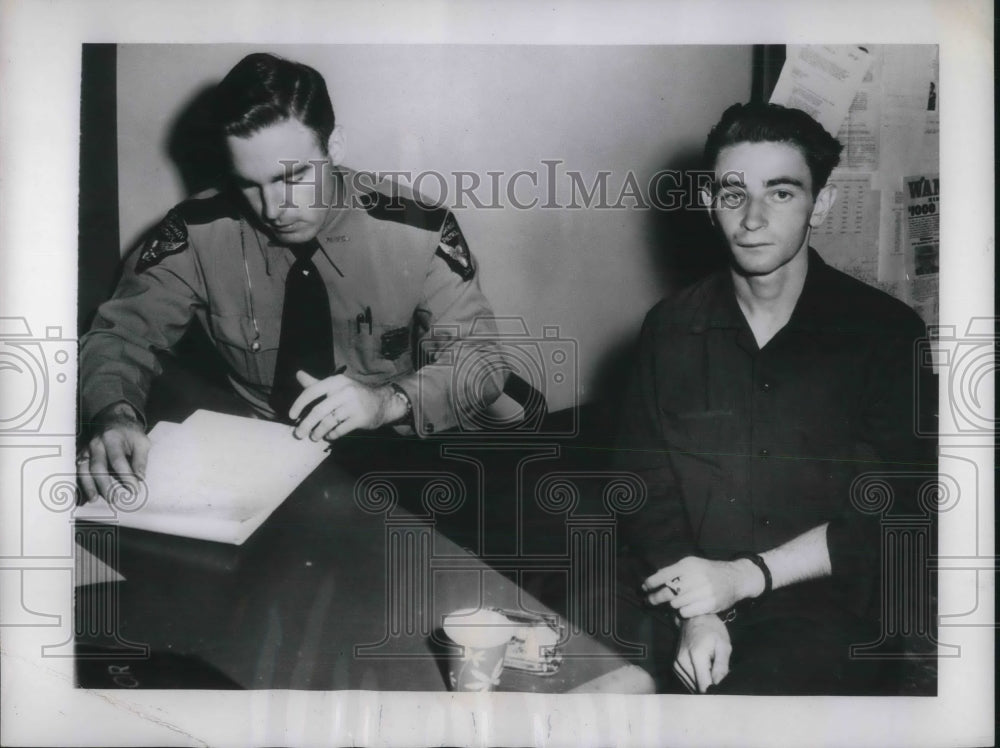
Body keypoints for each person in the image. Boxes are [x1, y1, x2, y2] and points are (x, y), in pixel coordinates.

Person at [77, 53, 506, 503]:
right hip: (254, 450)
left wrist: (387, 402)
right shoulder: (195, 233)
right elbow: (120, 336)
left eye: (293, 177)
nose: (272, 208)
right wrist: (115, 415)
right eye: (249, 184)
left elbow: (481, 362)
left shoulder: (416, 228)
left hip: (390, 449)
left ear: (334, 147)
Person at [614, 102, 935, 694]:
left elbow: (893, 511)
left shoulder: (887, 336)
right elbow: (645, 489)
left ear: (823, 204)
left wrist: (746, 576)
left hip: (822, 604)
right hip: (683, 591)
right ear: (711, 205)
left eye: (781, 193)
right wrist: (700, 611)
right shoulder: (668, 329)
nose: (753, 218)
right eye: (733, 193)